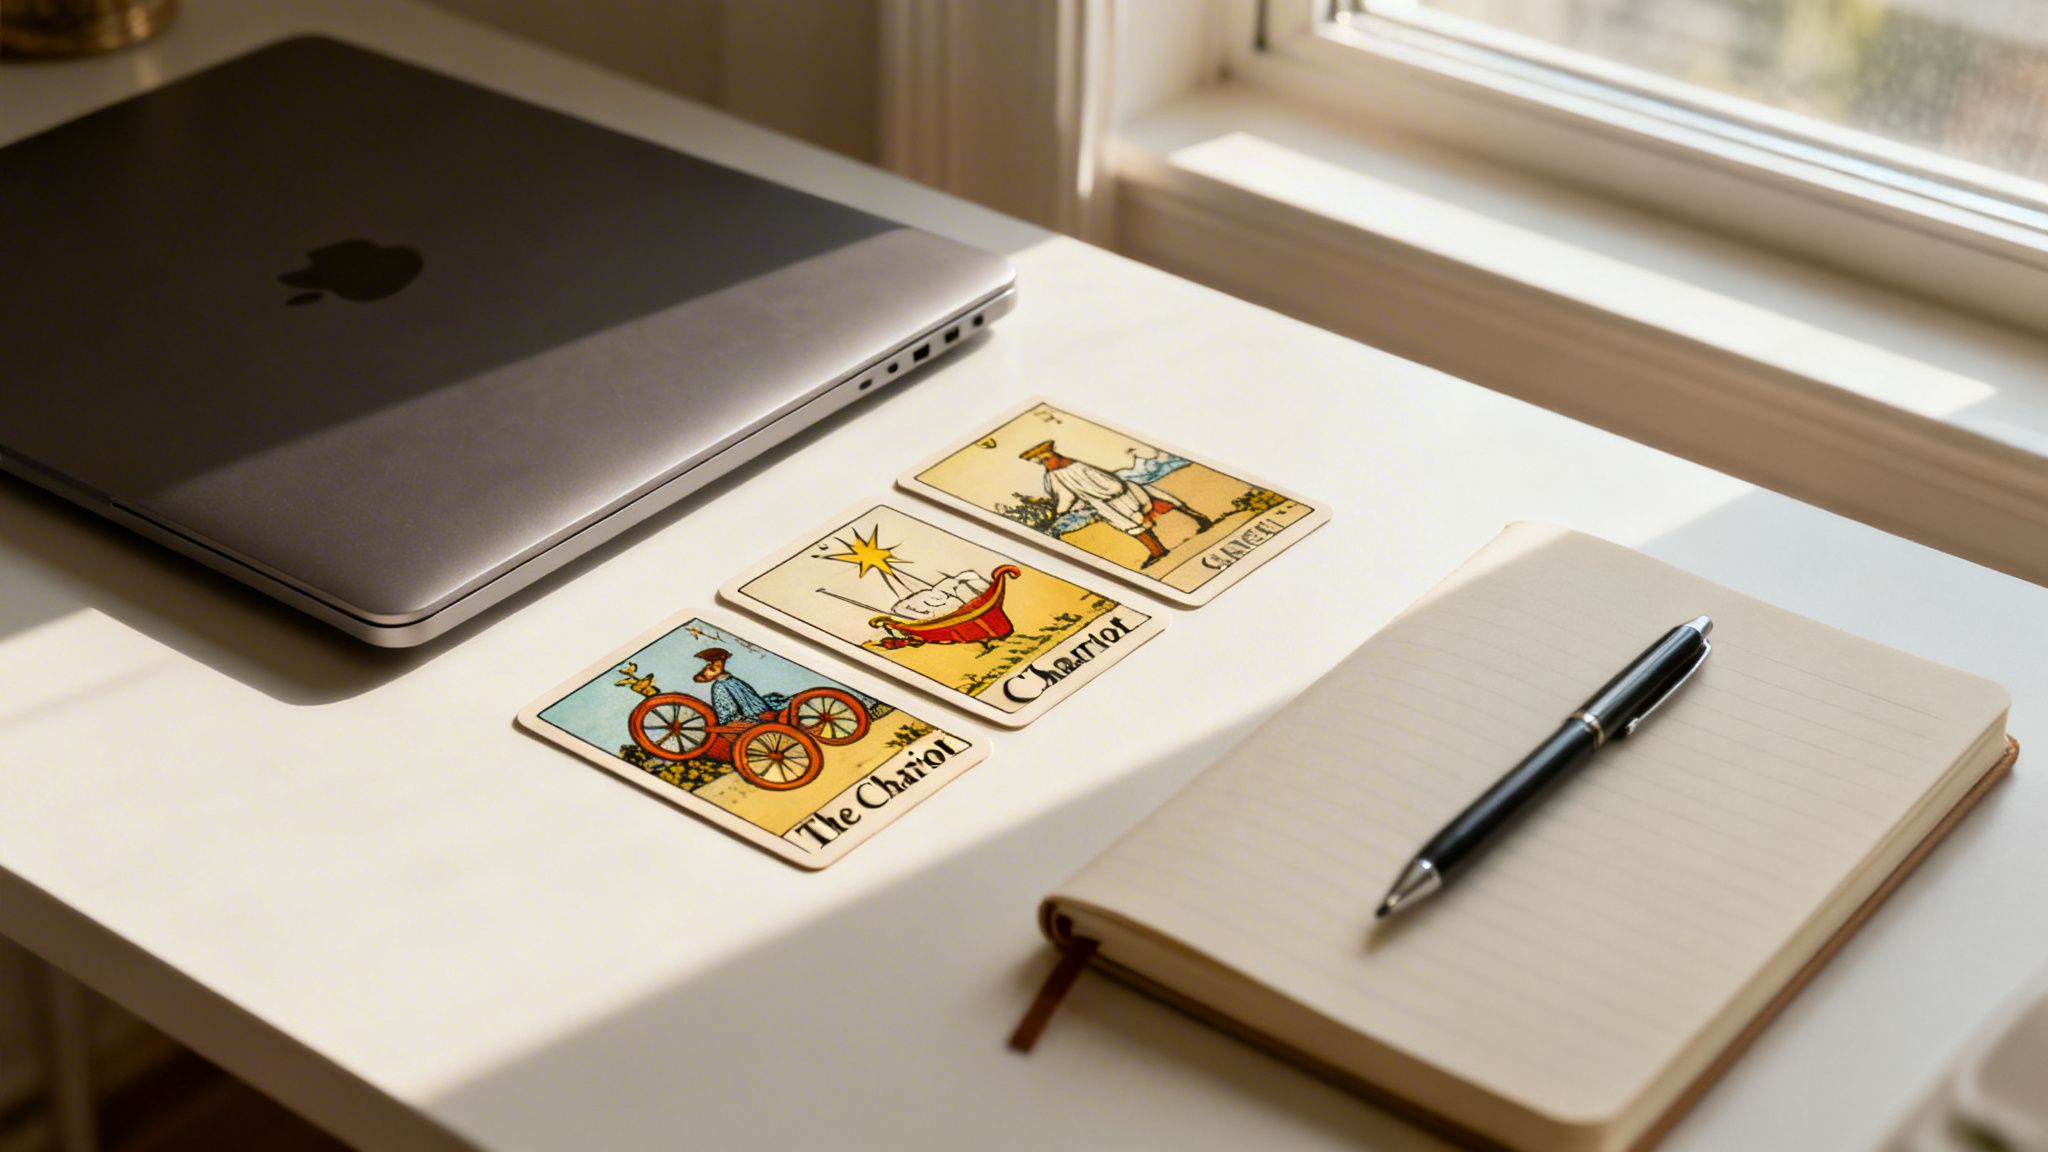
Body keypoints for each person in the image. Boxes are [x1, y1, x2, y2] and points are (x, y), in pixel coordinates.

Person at [1020, 440, 1215, 567]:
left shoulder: (1058, 474)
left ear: (1050, 456)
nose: (1045, 464)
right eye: (1042, 462)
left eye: (1044, 460)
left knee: (1137, 524)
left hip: (1111, 501)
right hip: (1122, 491)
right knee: (1154, 509)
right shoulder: (1070, 465)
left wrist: (1059, 513)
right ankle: (1165, 545)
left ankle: (1164, 547)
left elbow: (1066, 498)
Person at [692, 648, 784, 723]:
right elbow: (728, 712)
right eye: (712, 667)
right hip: (746, 718)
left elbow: (750, 698)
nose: (718, 665)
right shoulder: (719, 687)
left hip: (757, 711)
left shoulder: (733, 681)